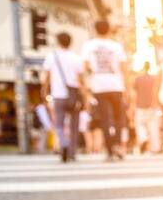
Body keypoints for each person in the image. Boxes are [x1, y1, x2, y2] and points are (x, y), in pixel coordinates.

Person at [81, 19, 129, 160]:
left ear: (95, 30)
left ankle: (109, 150)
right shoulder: (116, 46)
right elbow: (124, 68)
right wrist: (127, 87)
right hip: (116, 85)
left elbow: (85, 68)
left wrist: (86, 86)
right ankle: (117, 145)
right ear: (109, 30)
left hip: (99, 86)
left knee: (105, 119)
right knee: (119, 118)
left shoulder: (89, 45)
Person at [40, 32, 85, 162]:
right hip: (74, 95)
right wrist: (85, 97)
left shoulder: (52, 56)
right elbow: (82, 80)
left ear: (58, 42)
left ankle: (63, 144)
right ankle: (72, 152)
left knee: (58, 124)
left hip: (58, 95)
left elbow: (46, 77)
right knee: (74, 125)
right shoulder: (76, 58)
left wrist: (44, 90)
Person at [132, 62, 161, 154]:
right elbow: (157, 91)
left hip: (140, 105)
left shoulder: (138, 79)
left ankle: (143, 138)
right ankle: (155, 147)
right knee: (153, 127)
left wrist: (132, 106)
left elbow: (134, 94)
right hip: (152, 106)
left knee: (140, 125)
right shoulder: (154, 79)